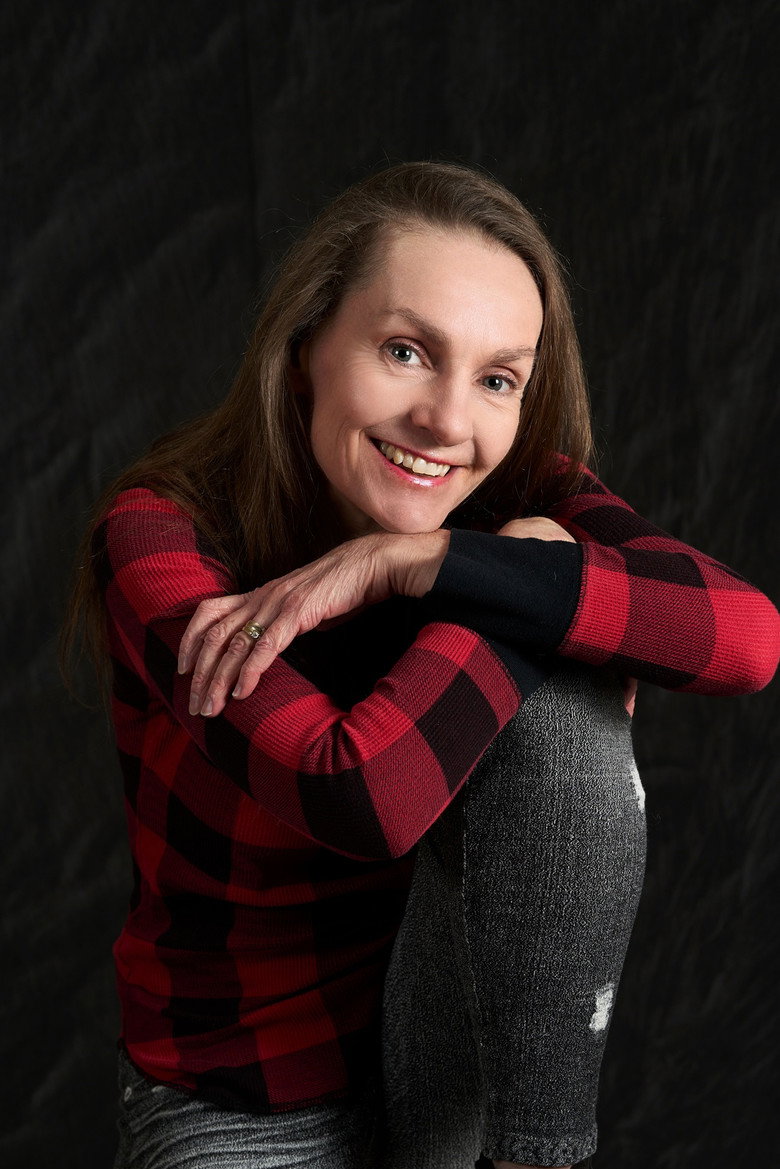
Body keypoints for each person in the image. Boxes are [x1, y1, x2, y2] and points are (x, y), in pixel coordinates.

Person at [61, 160, 779, 1169]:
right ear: (306, 348)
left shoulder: (514, 489)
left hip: (444, 1050)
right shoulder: (166, 536)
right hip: (243, 1090)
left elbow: (750, 639)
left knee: (566, 710)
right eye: (405, 351)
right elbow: (359, 792)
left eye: (497, 379)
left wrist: (429, 562)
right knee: (563, 633)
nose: (447, 421)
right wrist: (522, 590)